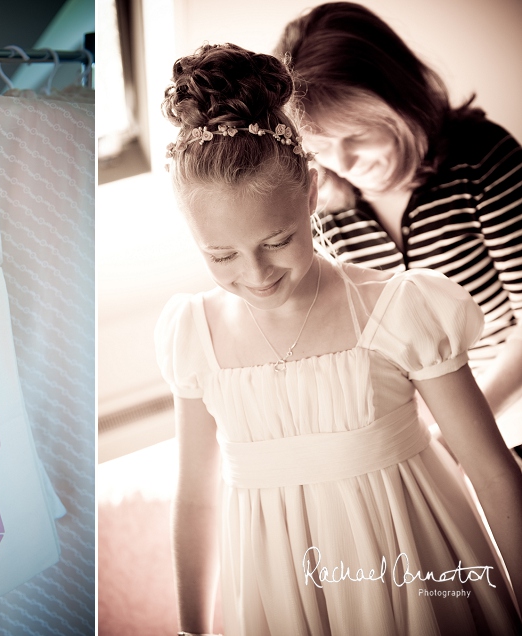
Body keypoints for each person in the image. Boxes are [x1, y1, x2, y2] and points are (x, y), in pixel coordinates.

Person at [157, 42, 522, 635]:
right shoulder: (193, 333)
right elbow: (196, 499)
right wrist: (192, 628)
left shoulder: (399, 308)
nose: (256, 274)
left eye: (276, 241)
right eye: (220, 254)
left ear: (309, 194)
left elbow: (491, 470)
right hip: (278, 590)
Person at [274, 2, 522, 448]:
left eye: (357, 135)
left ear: (400, 103)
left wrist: (463, 432)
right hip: (421, 429)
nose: (344, 163)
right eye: (322, 146)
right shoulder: (322, 209)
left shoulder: (483, 159)